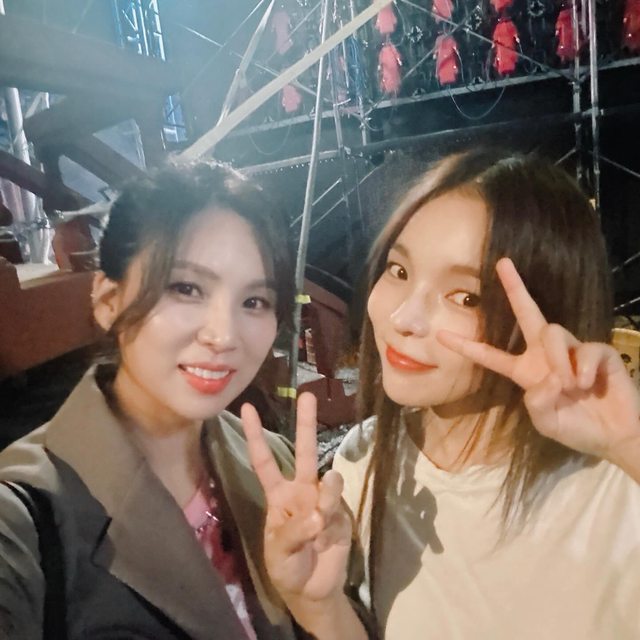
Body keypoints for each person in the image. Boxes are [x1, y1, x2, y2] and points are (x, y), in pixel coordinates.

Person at [241, 149, 640, 640]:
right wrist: (317, 605)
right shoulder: (363, 463)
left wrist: (630, 445)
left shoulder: (616, 487)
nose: (403, 318)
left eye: (465, 296)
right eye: (399, 270)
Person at [0, 161, 364, 639]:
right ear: (108, 300)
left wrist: (321, 609)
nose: (223, 335)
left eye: (254, 301)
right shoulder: (27, 515)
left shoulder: (275, 468)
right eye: (186, 288)